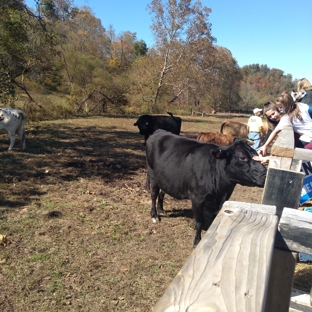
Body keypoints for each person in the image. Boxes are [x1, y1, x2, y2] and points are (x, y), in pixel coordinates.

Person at [258, 92, 312, 156]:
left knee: (298, 156)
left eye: (280, 107)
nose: (279, 109)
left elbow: (275, 132)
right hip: (306, 137)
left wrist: (265, 145)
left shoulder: (286, 118)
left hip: (309, 137)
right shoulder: (301, 105)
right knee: (297, 152)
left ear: (286, 106)